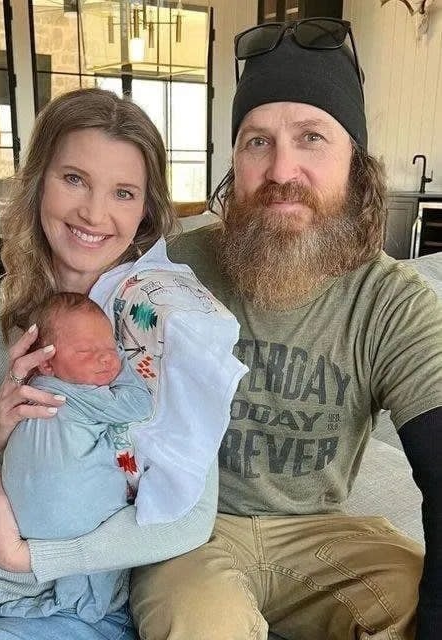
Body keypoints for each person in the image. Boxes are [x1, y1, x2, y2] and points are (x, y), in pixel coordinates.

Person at [129, 18, 442, 640]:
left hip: (322, 535)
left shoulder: (392, 302)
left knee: (414, 596)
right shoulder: (174, 270)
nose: (280, 170)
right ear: (234, 161)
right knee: (200, 625)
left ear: (356, 163)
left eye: (311, 138)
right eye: (257, 142)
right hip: (192, 529)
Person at [0, 87, 247, 640]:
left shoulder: (166, 335)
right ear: (38, 183)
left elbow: (189, 517)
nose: (94, 213)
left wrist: (32, 558)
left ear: (145, 212)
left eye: (123, 192)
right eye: (74, 178)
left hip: (72, 603)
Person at [1, 291, 153, 541]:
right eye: (85, 351)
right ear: (46, 363)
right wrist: (122, 357)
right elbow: (140, 405)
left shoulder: (32, 388)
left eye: (110, 346)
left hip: (20, 523)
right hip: (80, 523)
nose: (106, 357)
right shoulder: (82, 395)